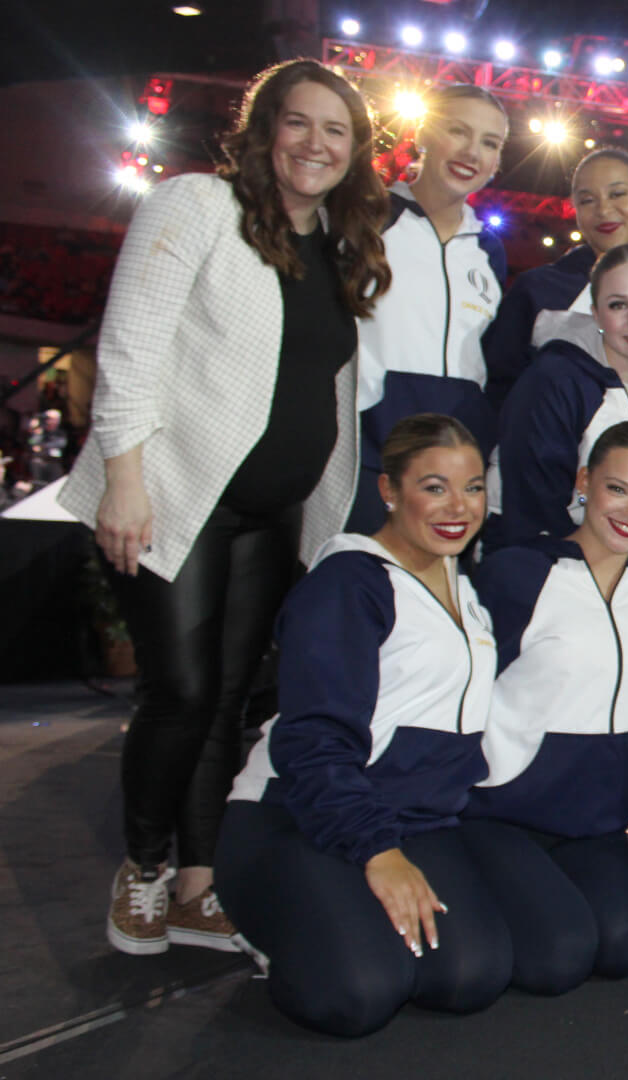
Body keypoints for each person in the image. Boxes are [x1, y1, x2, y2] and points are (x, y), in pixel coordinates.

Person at [59, 59, 391, 957]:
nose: (316, 144)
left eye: (336, 130)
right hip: (178, 494)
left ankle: (200, 886)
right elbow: (131, 342)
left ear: (356, 150)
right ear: (265, 130)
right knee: (183, 690)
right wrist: (124, 478)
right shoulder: (196, 206)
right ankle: (143, 869)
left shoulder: (340, 243)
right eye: (299, 123)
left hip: (273, 511)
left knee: (232, 698)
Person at [217, 415, 510, 1037]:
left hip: (411, 823)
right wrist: (378, 851)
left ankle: (346, 917)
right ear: (388, 490)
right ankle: (267, 925)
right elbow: (314, 742)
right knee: (358, 994)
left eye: (474, 487)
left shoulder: (467, 591)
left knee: (471, 977)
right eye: (435, 487)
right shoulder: (349, 582)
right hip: (296, 819)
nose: (459, 506)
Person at [462, 422, 628, 992]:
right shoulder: (519, 574)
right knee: (558, 958)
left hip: (593, 827)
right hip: (501, 815)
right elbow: (459, 689)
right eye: (618, 490)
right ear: (585, 483)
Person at [345, 83, 509, 532]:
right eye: (458, 131)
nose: (472, 152)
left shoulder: (487, 251)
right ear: (422, 132)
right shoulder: (367, 220)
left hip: (453, 472)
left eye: (489, 143)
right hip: (367, 462)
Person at [490, 244, 628, 550]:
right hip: (536, 554)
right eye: (618, 305)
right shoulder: (553, 382)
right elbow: (532, 515)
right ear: (595, 314)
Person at [482, 148, 628, 407]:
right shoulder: (538, 290)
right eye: (587, 200)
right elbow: (499, 390)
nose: (604, 209)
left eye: (617, 194)